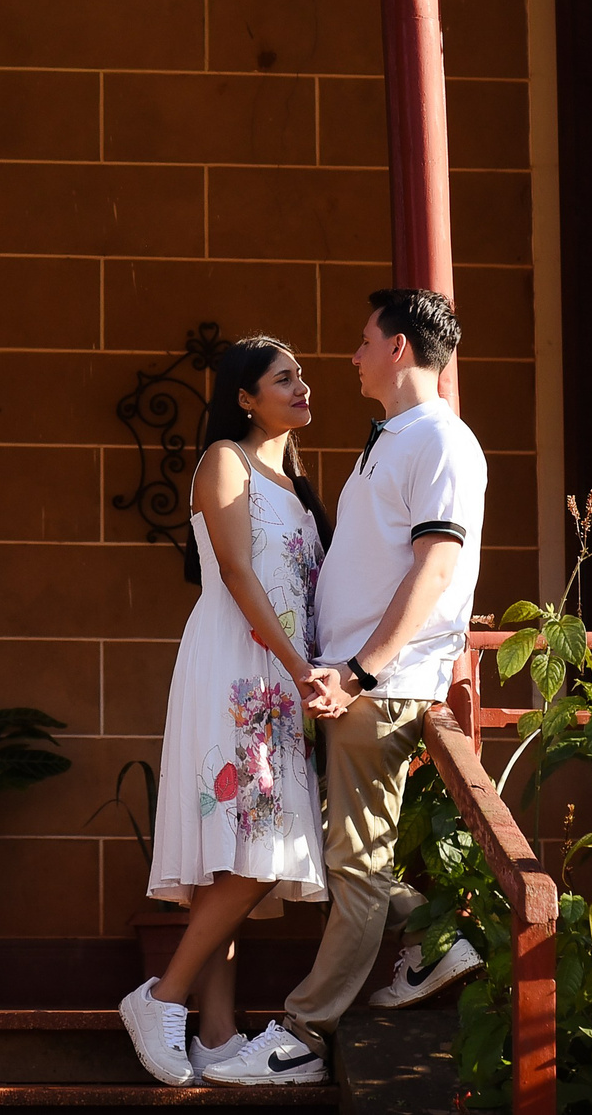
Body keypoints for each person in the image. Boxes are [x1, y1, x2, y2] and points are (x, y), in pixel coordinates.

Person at [200, 288, 489, 1088]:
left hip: (376, 682)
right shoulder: (395, 439)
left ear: (399, 348)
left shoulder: (438, 439)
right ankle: (435, 940)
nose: (352, 357)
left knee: (354, 864)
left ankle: (303, 1028)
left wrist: (361, 671)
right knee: (344, 852)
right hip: (349, 683)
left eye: (365, 341)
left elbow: (437, 565)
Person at [117, 336, 334, 1088]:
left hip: (282, 675)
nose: (303, 386)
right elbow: (240, 576)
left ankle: (213, 1036)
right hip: (241, 667)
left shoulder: (296, 480)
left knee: (242, 855)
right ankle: (162, 996)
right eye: (285, 378)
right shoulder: (225, 462)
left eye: (302, 375)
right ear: (245, 396)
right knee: (260, 848)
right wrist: (302, 669)